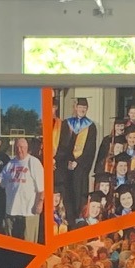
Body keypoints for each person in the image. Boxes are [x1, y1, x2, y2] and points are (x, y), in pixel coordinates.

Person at [56, 97, 98, 226]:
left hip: (80, 168)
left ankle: (79, 222)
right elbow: (62, 145)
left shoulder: (91, 126)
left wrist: (78, 162)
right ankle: (67, 220)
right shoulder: (67, 124)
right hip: (67, 167)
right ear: (75, 108)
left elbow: (91, 149)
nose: (82, 110)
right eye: (80, 107)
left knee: (80, 194)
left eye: (84, 108)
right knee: (67, 193)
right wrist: (67, 161)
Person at [0, 137, 44, 241]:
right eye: (17, 147)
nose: (19, 150)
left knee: (29, 243)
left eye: (22, 147)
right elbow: (0, 181)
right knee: (12, 244)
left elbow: (41, 188)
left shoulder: (33, 162)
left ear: (27, 148)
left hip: (28, 211)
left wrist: (40, 202)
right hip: (11, 211)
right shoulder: (10, 164)